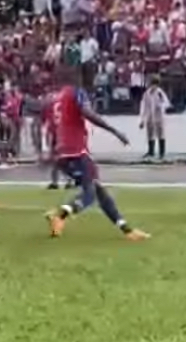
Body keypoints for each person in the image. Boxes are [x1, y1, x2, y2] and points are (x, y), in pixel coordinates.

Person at [45, 66, 151, 241]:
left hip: (62, 153)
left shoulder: (55, 99)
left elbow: (51, 128)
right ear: (77, 76)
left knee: (99, 191)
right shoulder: (76, 93)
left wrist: (51, 153)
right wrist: (114, 131)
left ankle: (127, 230)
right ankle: (60, 214)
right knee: (90, 193)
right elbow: (87, 113)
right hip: (76, 151)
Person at [138, 74, 170, 160]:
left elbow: (166, 103)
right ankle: (151, 151)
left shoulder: (160, 93)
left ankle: (161, 153)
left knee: (160, 134)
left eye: (154, 84)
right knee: (150, 134)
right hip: (150, 116)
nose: (152, 86)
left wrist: (160, 106)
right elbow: (144, 106)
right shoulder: (147, 93)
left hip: (159, 116)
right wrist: (142, 120)